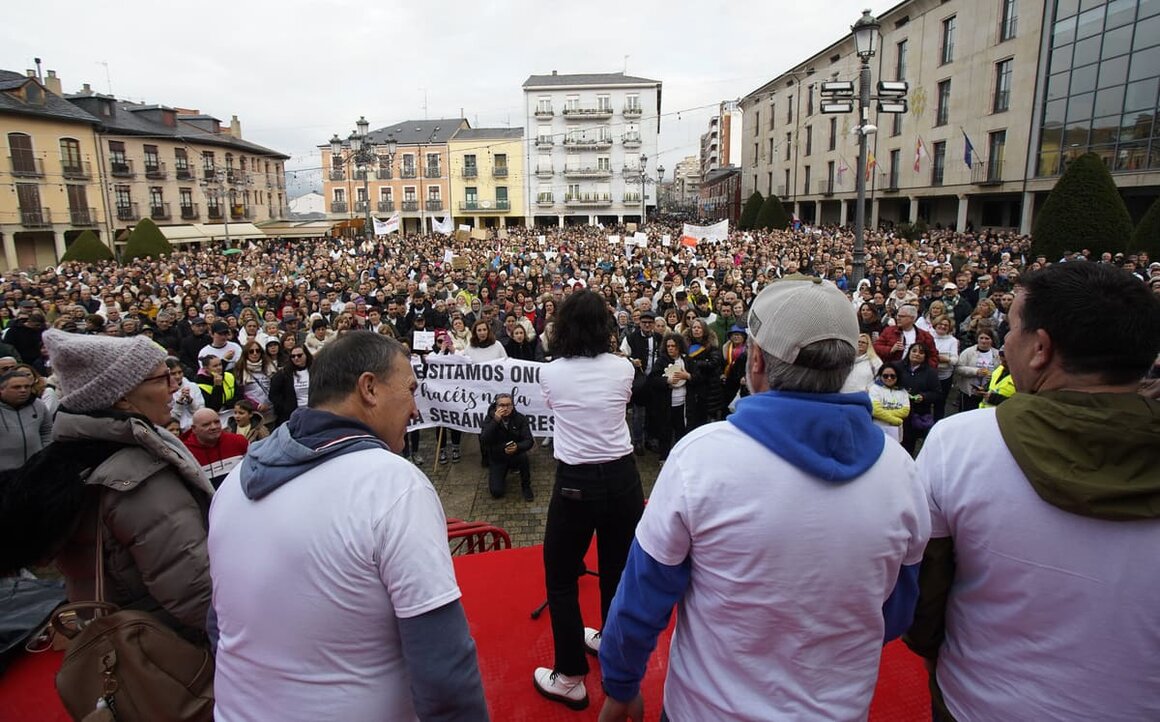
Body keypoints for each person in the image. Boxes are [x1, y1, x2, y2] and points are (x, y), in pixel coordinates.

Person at [596, 275, 930, 721]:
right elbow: (895, 615)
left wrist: (621, 687)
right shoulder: (903, 472)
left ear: (756, 359)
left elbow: (642, 599)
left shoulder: (701, 458)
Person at [904, 262, 1160, 721]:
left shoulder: (962, 443)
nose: (1003, 341)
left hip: (980, 702)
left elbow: (924, 598)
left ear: (1041, 349)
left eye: (1014, 329)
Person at [209, 331, 488, 722]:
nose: (415, 410)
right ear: (369, 388)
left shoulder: (234, 483)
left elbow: (219, 627)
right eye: (410, 390)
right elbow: (443, 666)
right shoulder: (393, 485)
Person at [38, 330, 214, 641]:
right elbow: (195, 592)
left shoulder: (76, 453)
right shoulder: (138, 476)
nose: (175, 387)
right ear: (121, 397)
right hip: (164, 646)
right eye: (163, 379)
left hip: (126, 632)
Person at [534, 290, 646, 710]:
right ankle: (611, 647)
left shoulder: (552, 373)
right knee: (617, 570)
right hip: (622, 479)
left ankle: (569, 676)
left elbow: (556, 407)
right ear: (606, 327)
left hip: (576, 481)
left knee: (561, 577)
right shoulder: (622, 368)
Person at [620, 310, 662, 454]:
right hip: (639, 380)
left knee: (654, 411)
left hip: (654, 379)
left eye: (650, 323)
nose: (647, 325)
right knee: (639, 413)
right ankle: (638, 441)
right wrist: (632, 361)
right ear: (640, 323)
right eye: (644, 323)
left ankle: (651, 439)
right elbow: (622, 355)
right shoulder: (631, 338)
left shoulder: (659, 338)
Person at [479, 393, 534, 500]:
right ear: (496, 407)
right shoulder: (490, 419)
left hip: (515, 454)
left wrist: (517, 447)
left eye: (508, 405)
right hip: (497, 458)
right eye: (502, 405)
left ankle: (526, 486)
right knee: (496, 492)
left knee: (523, 458)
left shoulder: (520, 418)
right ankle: (501, 474)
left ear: (513, 406)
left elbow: (529, 441)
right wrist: (496, 420)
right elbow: (484, 440)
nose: (505, 408)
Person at [182, 407, 249, 489]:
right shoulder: (184, 452)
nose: (214, 427)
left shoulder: (239, 441)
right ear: (194, 429)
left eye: (217, 422)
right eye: (206, 424)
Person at [0, 368, 52, 470]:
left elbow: (47, 431)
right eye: (16, 387)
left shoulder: (38, 405)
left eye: (27, 386)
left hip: (34, 470)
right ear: (2, 389)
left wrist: (45, 454)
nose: (23, 390)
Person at [897, 343, 942, 456]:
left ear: (925, 356)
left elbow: (937, 394)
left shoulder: (930, 372)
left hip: (916, 414)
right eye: (914, 351)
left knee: (908, 447)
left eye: (921, 353)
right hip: (896, 411)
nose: (917, 354)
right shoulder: (897, 367)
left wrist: (924, 397)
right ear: (909, 352)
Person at [874, 305, 938, 367]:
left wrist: (924, 368)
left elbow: (934, 357)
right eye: (898, 315)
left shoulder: (925, 336)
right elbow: (876, 347)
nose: (898, 318)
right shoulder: (888, 331)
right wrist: (890, 349)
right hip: (893, 371)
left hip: (917, 373)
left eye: (902, 316)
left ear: (912, 318)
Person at [953, 329, 999, 412]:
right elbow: (958, 368)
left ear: (992, 340)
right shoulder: (968, 352)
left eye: (987, 338)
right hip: (970, 392)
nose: (983, 341)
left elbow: (1000, 370)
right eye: (981, 338)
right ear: (977, 339)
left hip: (988, 392)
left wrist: (992, 375)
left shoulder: (997, 354)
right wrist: (976, 371)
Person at [269, 345, 311, 426]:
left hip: (313, 413)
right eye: (293, 356)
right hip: (292, 416)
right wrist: (285, 409)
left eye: (299, 355)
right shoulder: (283, 374)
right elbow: (273, 395)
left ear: (306, 355)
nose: (296, 358)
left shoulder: (315, 370)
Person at [869, 364, 910, 442]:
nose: (889, 378)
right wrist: (894, 420)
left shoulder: (903, 392)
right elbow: (875, 410)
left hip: (896, 431)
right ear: (880, 376)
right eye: (885, 376)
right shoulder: (874, 389)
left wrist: (882, 413)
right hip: (878, 428)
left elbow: (905, 412)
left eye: (892, 376)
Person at [195, 354, 238, 425]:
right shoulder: (200, 385)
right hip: (216, 419)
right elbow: (214, 407)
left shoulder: (229, 376)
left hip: (233, 414)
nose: (219, 368)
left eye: (220, 364)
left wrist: (225, 405)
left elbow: (239, 396)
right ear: (206, 369)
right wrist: (217, 386)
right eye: (215, 366)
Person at [167, 356, 205, 432]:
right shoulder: (163, 391)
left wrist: (191, 401)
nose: (178, 376)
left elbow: (201, 412)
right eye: (173, 373)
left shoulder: (193, 386)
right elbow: (167, 418)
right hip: (175, 431)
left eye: (180, 372)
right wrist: (179, 404)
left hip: (195, 429)